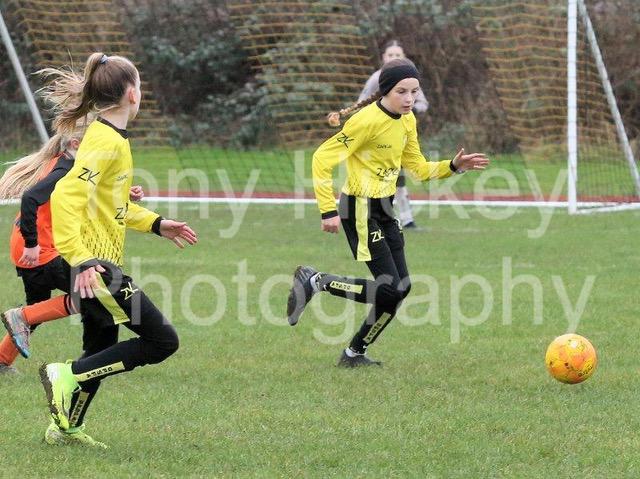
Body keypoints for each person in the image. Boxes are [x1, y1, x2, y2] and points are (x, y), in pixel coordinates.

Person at [35, 52, 197, 448]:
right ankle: (65, 374)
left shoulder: (110, 137)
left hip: (94, 263)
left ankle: (66, 428)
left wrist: (156, 223)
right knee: (162, 341)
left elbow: (111, 206)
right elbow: (65, 195)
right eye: (140, 85)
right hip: (96, 267)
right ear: (131, 94)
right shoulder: (107, 141)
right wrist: (83, 260)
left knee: (100, 349)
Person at [288, 59, 488, 367]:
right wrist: (327, 209)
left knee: (401, 288)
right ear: (385, 91)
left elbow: (417, 168)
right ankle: (315, 281)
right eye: (401, 92)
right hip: (359, 207)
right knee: (390, 289)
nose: (409, 99)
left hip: (385, 207)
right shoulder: (365, 122)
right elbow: (321, 159)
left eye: (414, 92)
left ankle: (354, 354)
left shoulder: (407, 120)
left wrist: (452, 166)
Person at [0, 123, 144, 374]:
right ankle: (23, 318)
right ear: (76, 145)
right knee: (92, 293)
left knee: (39, 307)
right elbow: (30, 198)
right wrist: (32, 244)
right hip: (39, 248)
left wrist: (122, 193)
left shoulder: (66, 163)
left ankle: (2, 359)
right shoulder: (64, 168)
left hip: (28, 245)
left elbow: (81, 193)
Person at [358, 40, 429, 230]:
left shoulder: (409, 80)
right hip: (376, 137)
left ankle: (406, 220)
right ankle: (361, 216)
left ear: (403, 57)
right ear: (384, 58)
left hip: (399, 137)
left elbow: (422, 103)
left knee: (398, 179)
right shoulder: (377, 78)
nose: (394, 58)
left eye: (398, 55)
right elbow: (361, 102)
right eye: (390, 55)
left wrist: (412, 110)